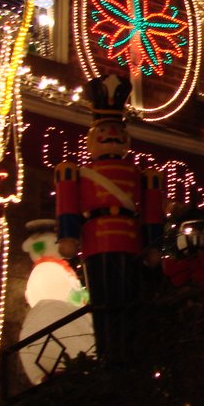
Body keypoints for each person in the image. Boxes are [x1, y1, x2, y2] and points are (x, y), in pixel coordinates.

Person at [54, 74, 164, 364]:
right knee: (102, 299)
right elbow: (69, 201)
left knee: (129, 298)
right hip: (97, 239)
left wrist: (153, 244)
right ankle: (108, 355)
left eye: (117, 128)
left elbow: (152, 207)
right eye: (105, 129)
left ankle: (125, 354)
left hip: (129, 240)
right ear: (92, 137)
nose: (112, 133)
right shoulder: (77, 172)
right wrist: (68, 235)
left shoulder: (143, 175)